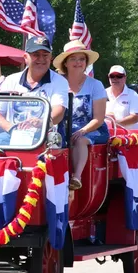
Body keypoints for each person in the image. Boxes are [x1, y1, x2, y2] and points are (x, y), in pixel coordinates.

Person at [0, 36, 69, 146]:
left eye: (45, 55)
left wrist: (42, 122)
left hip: (45, 136)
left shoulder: (60, 81)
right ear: (25, 57)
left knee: (41, 161)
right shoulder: (11, 80)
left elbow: (59, 111)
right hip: (11, 135)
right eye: (36, 55)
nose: (41, 59)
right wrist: (12, 128)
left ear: (51, 58)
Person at [52, 40, 107, 190]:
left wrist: (83, 131)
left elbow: (99, 118)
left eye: (82, 59)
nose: (78, 62)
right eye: (73, 59)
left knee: (80, 140)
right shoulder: (56, 83)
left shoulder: (96, 85)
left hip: (92, 129)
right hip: (62, 129)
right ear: (65, 63)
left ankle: (76, 178)